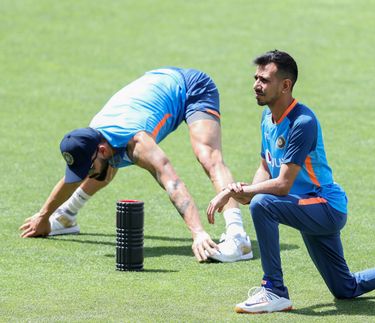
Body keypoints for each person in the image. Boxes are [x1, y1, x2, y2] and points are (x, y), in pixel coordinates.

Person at [206, 50, 375, 313]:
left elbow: (283, 184)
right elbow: (266, 163)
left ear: (285, 85)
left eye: (264, 80)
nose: (256, 85)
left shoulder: (302, 122)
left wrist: (242, 192)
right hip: (305, 206)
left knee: (263, 204)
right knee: (345, 288)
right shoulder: (268, 118)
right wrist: (247, 192)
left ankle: (274, 290)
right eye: (256, 78)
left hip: (325, 207)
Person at [19, 66, 252, 263]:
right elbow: (85, 172)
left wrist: (198, 233)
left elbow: (172, 182)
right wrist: (43, 216)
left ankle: (238, 237)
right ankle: (66, 217)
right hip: (156, 83)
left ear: (101, 149)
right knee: (105, 168)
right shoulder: (95, 139)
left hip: (192, 87)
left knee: (208, 156)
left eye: (86, 169)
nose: (84, 175)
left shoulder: (137, 143)